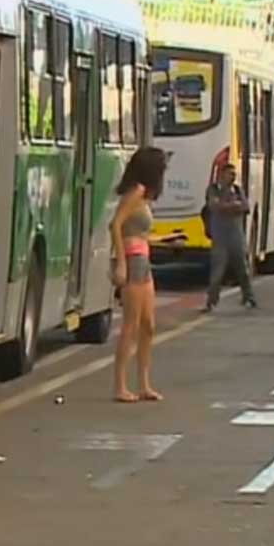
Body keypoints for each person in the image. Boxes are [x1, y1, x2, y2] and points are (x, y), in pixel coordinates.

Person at [110, 146, 168, 403]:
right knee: (131, 325)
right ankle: (120, 384)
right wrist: (121, 261)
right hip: (133, 260)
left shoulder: (144, 197)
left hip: (143, 258)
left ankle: (144, 383)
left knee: (148, 326)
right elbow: (116, 224)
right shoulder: (137, 192)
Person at [202, 161, 257, 312]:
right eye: (230, 174)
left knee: (243, 269)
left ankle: (249, 297)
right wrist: (233, 206)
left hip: (236, 236)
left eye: (234, 174)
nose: (233, 177)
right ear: (221, 174)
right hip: (220, 237)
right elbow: (214, 206)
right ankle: (211, 301)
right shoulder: (213, 190)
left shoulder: (238, 190)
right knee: (217, 271)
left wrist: (228, 206)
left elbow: (245, 207)